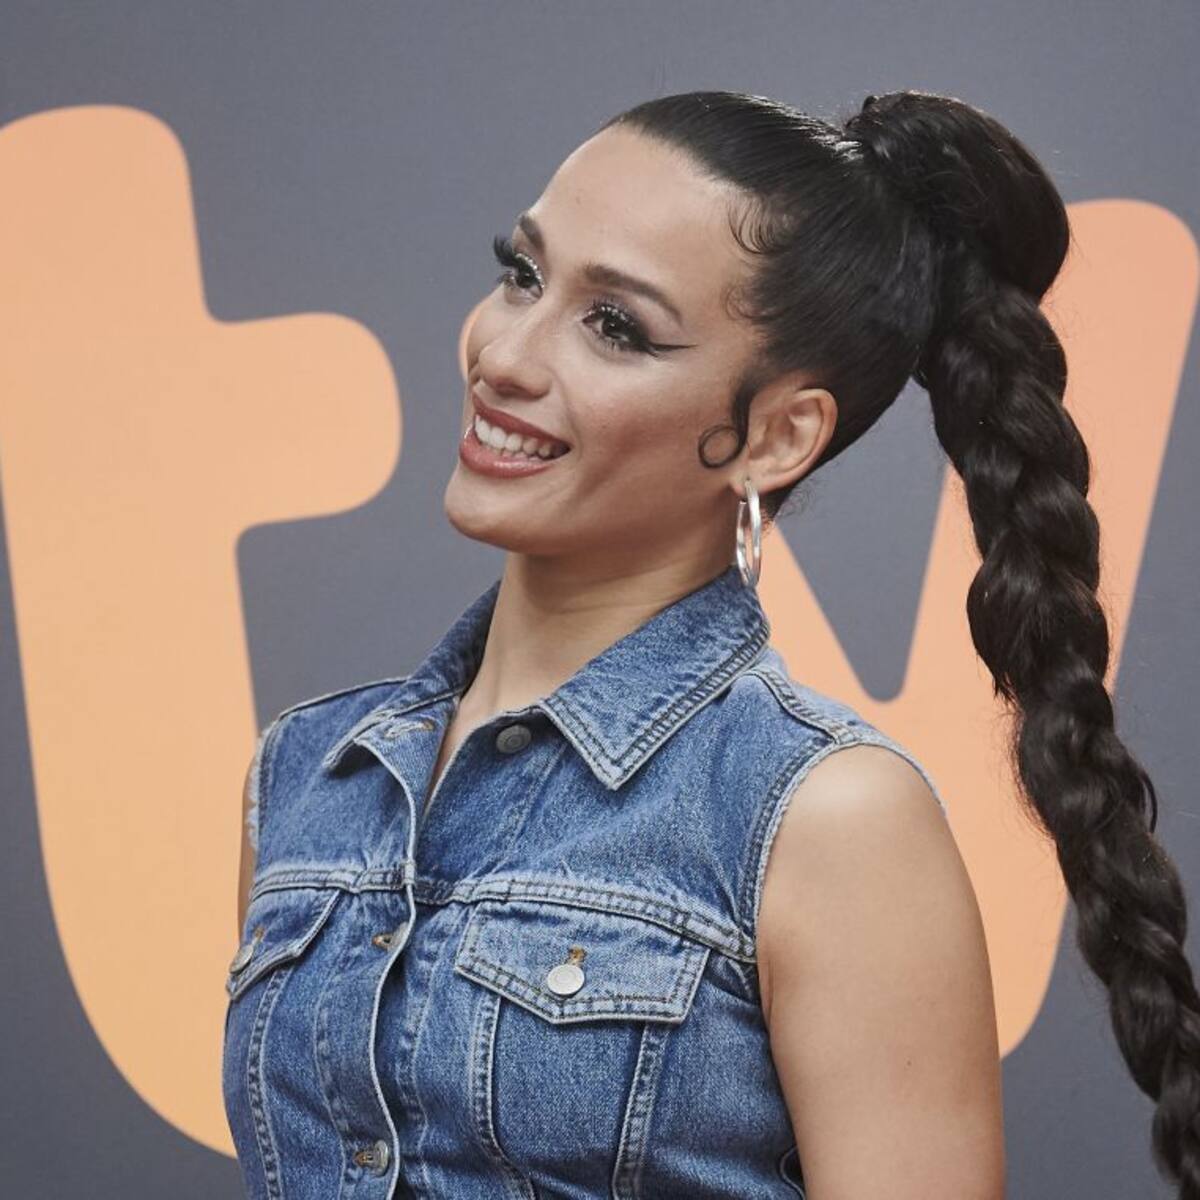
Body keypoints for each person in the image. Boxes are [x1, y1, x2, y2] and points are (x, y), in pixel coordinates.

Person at [222, 89, 1199, 1199]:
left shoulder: (828, 820)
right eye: (523, 274)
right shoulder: (308, 772)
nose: (506, 355)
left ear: (776, 436)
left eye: (616, 326)